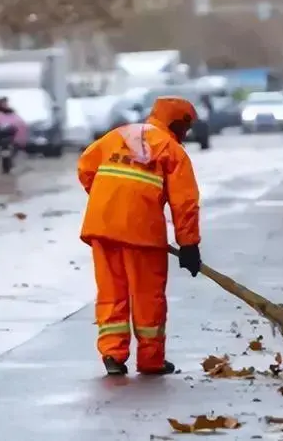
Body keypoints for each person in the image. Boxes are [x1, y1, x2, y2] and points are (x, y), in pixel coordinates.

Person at [77, 96, 202, 376]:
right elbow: (185, 203)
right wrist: (189, 244)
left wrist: (108, 201)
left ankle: (112, 354)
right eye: (187, 127)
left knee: (111, 293)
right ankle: (151, 359)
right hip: (141, 234)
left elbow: (86, 168)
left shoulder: (116, 136)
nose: (187, 134)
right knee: (148, 296)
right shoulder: (171, 150)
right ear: (178, 123)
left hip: (102, 227)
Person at [0, 94, 28, 161]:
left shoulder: (11, 113)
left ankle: (14, 151)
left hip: (12, 134)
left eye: (5, 103)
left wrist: (18, 125)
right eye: (2, 103)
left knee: (17, 143)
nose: (5, 104)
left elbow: (20, 122)